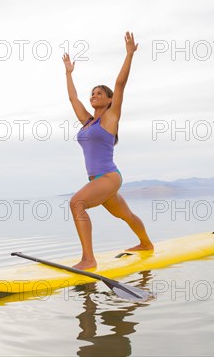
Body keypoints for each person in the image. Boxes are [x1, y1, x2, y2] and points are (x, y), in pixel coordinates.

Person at [63, 31, 154, 270]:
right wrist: (68, 73)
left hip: (108, 178)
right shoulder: (87, 122)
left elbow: (120, 84)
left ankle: (88, 260)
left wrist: (129, 55)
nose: (94, 96)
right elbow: (72, 99)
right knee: (125, 215)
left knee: (77, 203)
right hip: (99, 181)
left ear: (109, 100)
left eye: (99, 94)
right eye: (92, 94)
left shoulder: (111, 118)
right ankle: (146, 243)